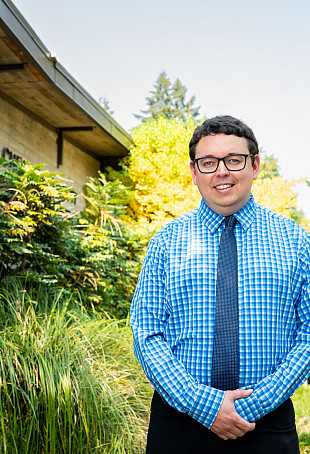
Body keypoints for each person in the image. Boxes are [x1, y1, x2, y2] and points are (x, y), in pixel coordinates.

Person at [130, 115, 310, 453]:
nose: (221, 171)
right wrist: (204, 405)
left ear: (255, 165)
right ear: (194, 171)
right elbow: (146, 332)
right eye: (209, 162)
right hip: (180, 422)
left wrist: (256, 403)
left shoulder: (297, 242)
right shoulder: (166, 242)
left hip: (266, 424)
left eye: (234, 160)